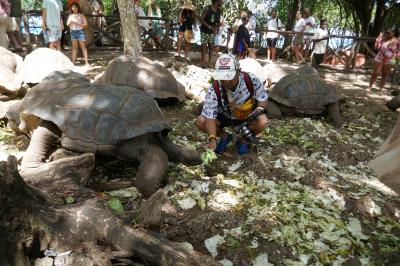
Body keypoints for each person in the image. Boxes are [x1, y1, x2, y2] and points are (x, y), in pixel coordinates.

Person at [195, 53, 269, 155]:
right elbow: (209, 116)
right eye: (222, 77)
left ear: (239, 72)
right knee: (200, 121)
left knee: (262, 121)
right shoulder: (215, 87)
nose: (225, 82)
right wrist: (212, 138)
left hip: (246, 116)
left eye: (228, 77)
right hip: (225, 116)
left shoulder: (251, 80)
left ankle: (244, 139)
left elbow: (263, 98)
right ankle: (224, 136)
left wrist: (259, 109)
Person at [368, 26, 400, 93]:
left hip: (392, 59)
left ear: (394, 32)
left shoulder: (398, 40)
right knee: (376, 72)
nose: (386, 34)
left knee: (385, 74)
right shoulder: (383, 39)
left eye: (388, 33)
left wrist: (396, 59)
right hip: (380, 56)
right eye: (386, 32)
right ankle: (370, 86)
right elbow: (376, 48)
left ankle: (380, 89)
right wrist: (378, 39)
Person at [199, 0, 222, 69]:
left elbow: (218, 22)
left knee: (211, 47)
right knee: (204, 47)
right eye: (221, 1)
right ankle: (203, 63)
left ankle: (209, 62)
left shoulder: (219, 11)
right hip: (204, 30)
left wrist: (217, 28)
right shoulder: (207, 8)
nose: (222, 2)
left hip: (212, 32)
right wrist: (209, 27)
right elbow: (201, 19)